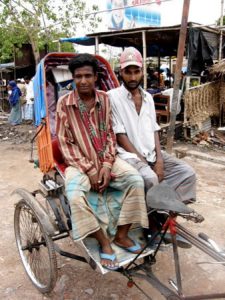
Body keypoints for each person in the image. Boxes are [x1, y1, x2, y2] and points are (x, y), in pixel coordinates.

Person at [56, 54, 148, 270]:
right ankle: (104, 242)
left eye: (88, 75)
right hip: (78, 164)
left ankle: (122, 235)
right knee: (75, 197)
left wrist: (106, 165)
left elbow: (109, 136)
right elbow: (66, 144)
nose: (83, 81)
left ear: (96, 77)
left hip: (106, 159)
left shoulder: (105, 99)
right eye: (78, 76)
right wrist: (90, 170)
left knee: (136, 180)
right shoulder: (65, 104)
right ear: (73, 78)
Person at [107, 47, 196, 208]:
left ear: (142, 71)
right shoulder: (112, 97)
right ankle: (153, 216)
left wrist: (160, 159)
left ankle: (170, 209)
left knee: (187, 173)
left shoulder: (148, 97)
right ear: (121, 72)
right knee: (150, 178)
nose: (133, 77)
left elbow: (154, 129)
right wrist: (145, 162)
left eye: (136, 71)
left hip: (152, 153)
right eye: (128, 72)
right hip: (130, 156)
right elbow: (120, 135)